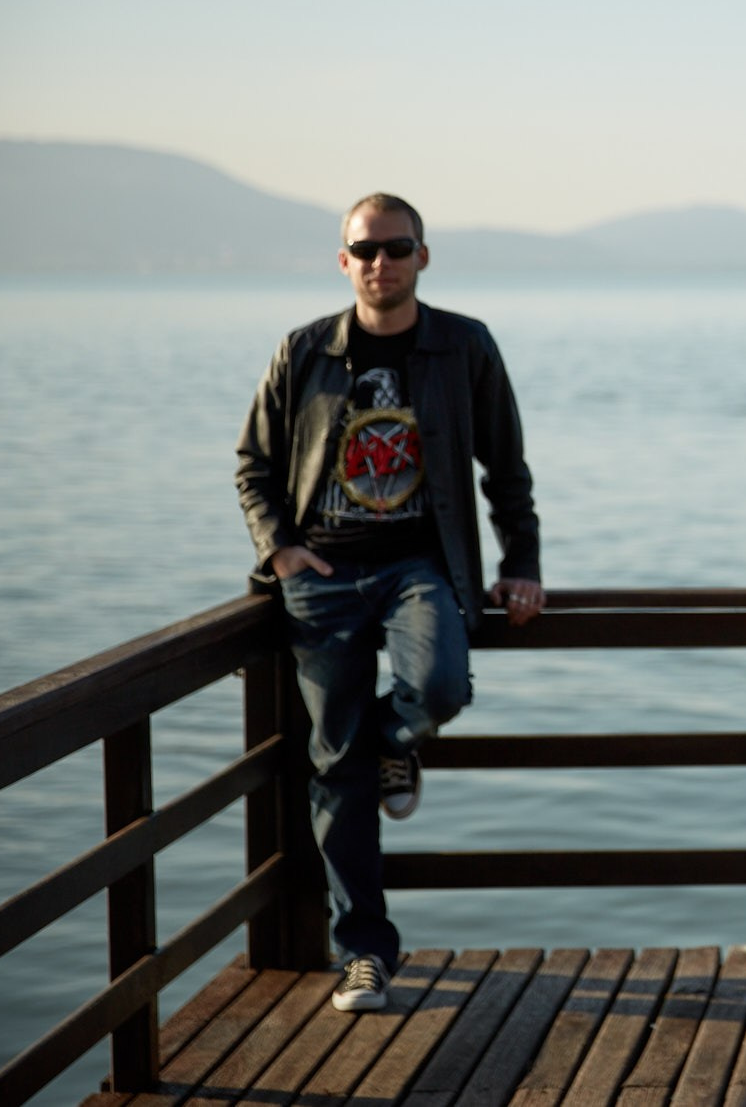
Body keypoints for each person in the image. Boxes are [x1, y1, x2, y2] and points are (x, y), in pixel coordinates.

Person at [236, 193, 545, 1013]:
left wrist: (521, 562)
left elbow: (506, 467)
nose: (381, 262)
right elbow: (253, 464)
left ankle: (389, 741)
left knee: (438, 689)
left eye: (397, 248)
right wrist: (279, 548)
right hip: (323, 577)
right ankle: (364, 953)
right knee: (336, 769)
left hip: (420, 566)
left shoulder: (465, 345)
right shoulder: (304, 350)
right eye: (365, 250)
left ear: (422, 257)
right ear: (344, 261)